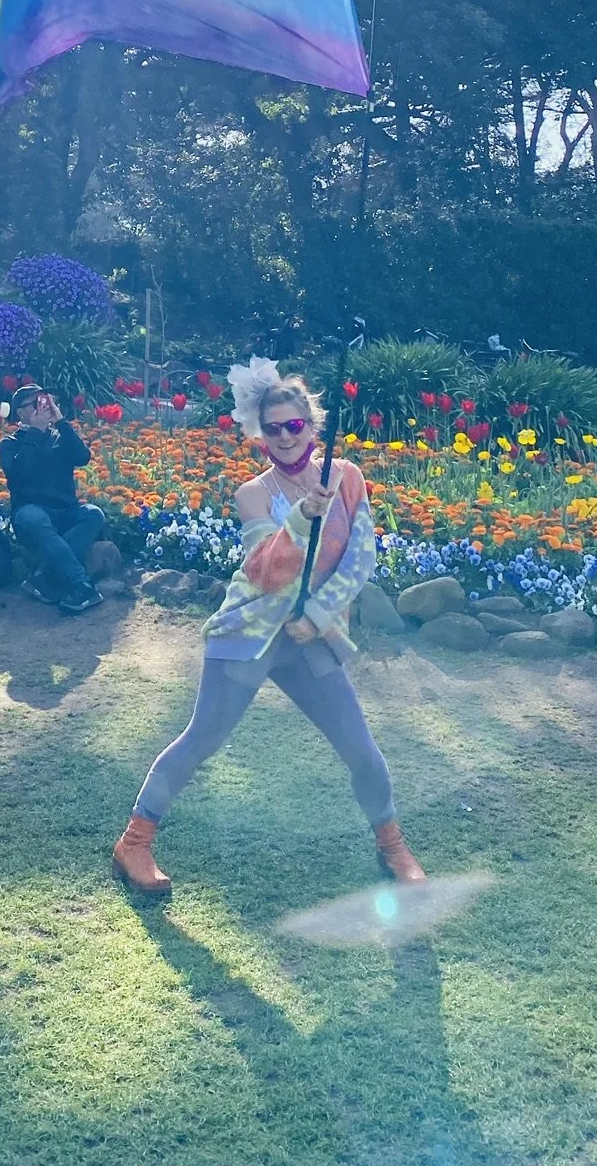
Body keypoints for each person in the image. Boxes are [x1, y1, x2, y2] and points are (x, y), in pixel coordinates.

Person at [111, 359, 426, 899]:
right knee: (203, 737)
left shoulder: (346, 477)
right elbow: (264, 570)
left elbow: (361, 557)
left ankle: (393, 845)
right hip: (247, 634)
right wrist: (302, 517)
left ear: (311, 425)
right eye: (272, 427)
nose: (283, 436)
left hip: (310, 639)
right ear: (260, 431)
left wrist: (318, 616)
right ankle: (134, 842)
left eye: (294, 426)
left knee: (360, 748)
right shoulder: (253, 493)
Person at [0, 386, 106, 614]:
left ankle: (43, 575)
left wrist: (62, 423)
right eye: (36, 404)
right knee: (34, 517)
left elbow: (83, 457)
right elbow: (20, 472)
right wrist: (35, 433)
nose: (44, 407)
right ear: (20, 413)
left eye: (46, 401)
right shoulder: (10, 443)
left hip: (66, 513)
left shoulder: (60, 437)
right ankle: (81, 584)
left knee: (94, 514)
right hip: (31, 514)